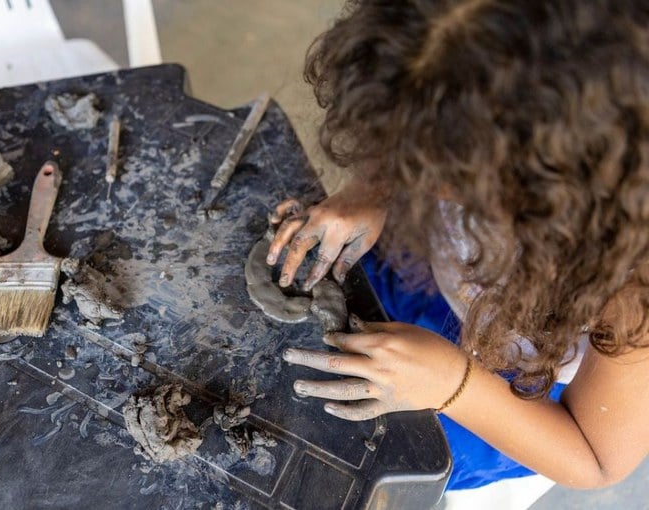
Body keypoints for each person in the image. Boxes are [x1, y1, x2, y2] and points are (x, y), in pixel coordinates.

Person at [269, 0, 649, 503]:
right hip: (429, 283)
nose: (414, 181)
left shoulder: (632, 281)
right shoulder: (460, 70)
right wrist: (370, 190)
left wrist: (451, 382)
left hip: (514, 393)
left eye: (433, 173)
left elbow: (597, 459)